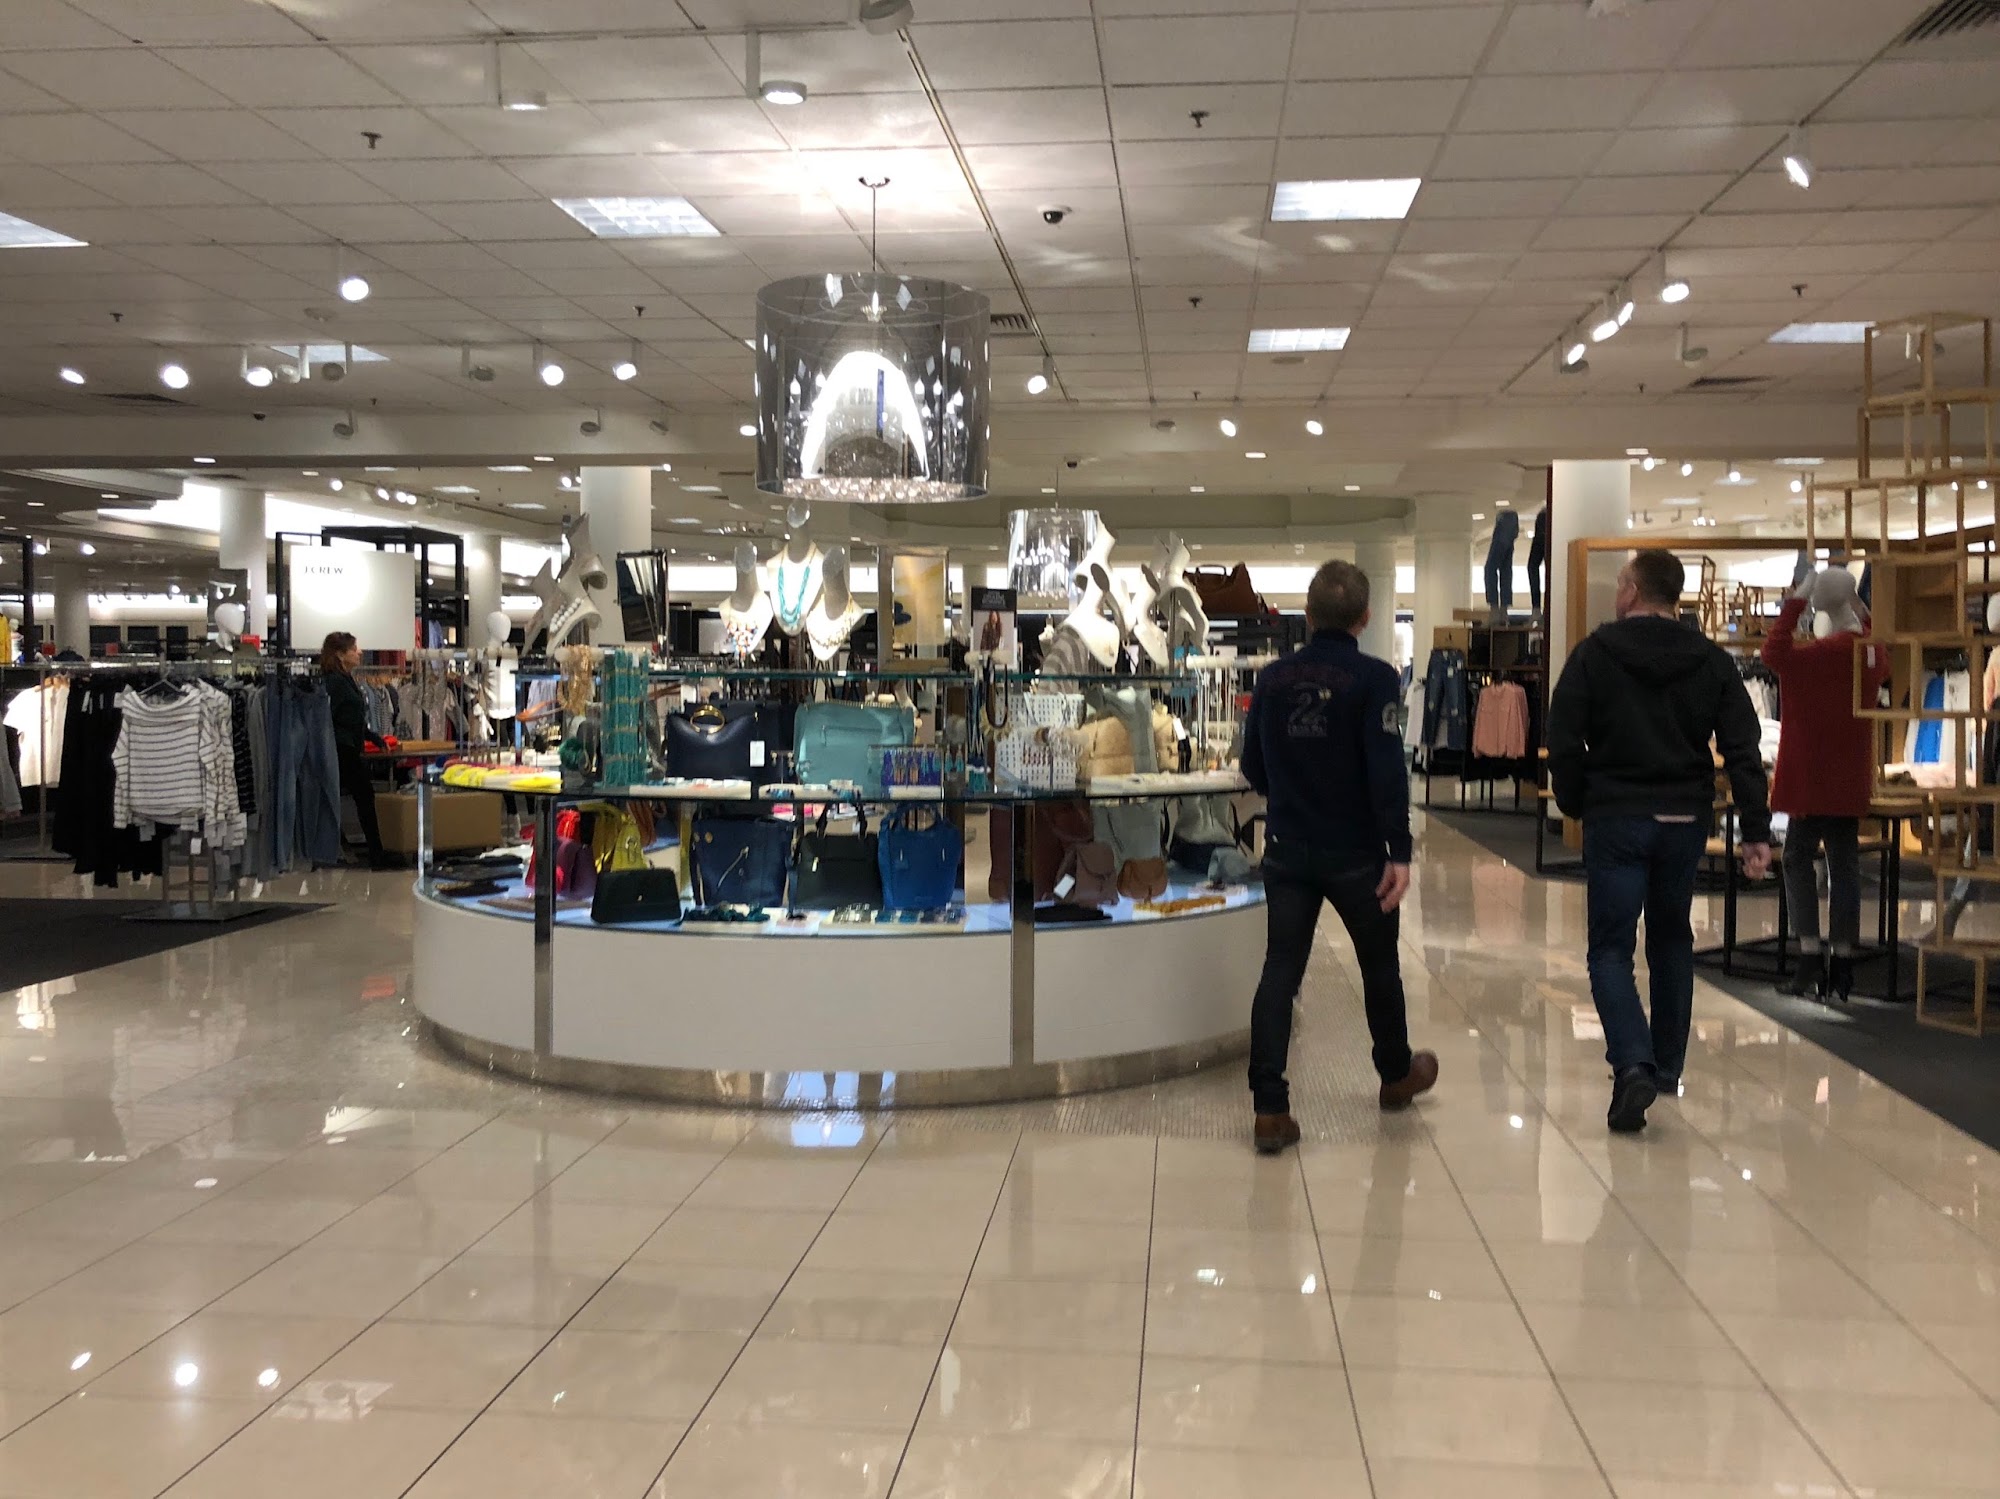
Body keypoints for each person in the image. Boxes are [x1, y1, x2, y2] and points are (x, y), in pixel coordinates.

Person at [1547, 549, 1772, 1134]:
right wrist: (1755, 829)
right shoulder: (1711, 660)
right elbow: (1743, 747)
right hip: (1683, 816)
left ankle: (1632, 1064)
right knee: (1671, 939)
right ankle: (1666, 1067)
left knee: (1610, 949)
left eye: (1621, 582)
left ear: (1631, 589)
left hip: (1617, 814)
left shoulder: (1595, 654)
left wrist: (1575, 801)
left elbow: (1563, 734)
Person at [1241, 559, 1439, 1155]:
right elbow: (1386, 769)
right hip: (1357, 853)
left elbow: (1252, 766)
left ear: (1307, 614)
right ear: (1367, 616)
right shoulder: (1376, 679)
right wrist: (1398, 849)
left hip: (1287, 849)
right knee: (1379, 966)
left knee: (1280, 970)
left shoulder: (1272, 679)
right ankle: (1395, 1075)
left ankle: (1270, 1108)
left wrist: (1289, 795)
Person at [319, 630, 392, 869]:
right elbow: (328, 718)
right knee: (364, 796)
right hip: (341, 749)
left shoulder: (346, 679)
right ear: (340, 654)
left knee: (361, 796)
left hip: (349, 746)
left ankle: (374, 853)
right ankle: (376, 855)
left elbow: (353, 718)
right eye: (353, 649)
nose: (359, 652)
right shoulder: (335, 682)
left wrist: (373, 737)